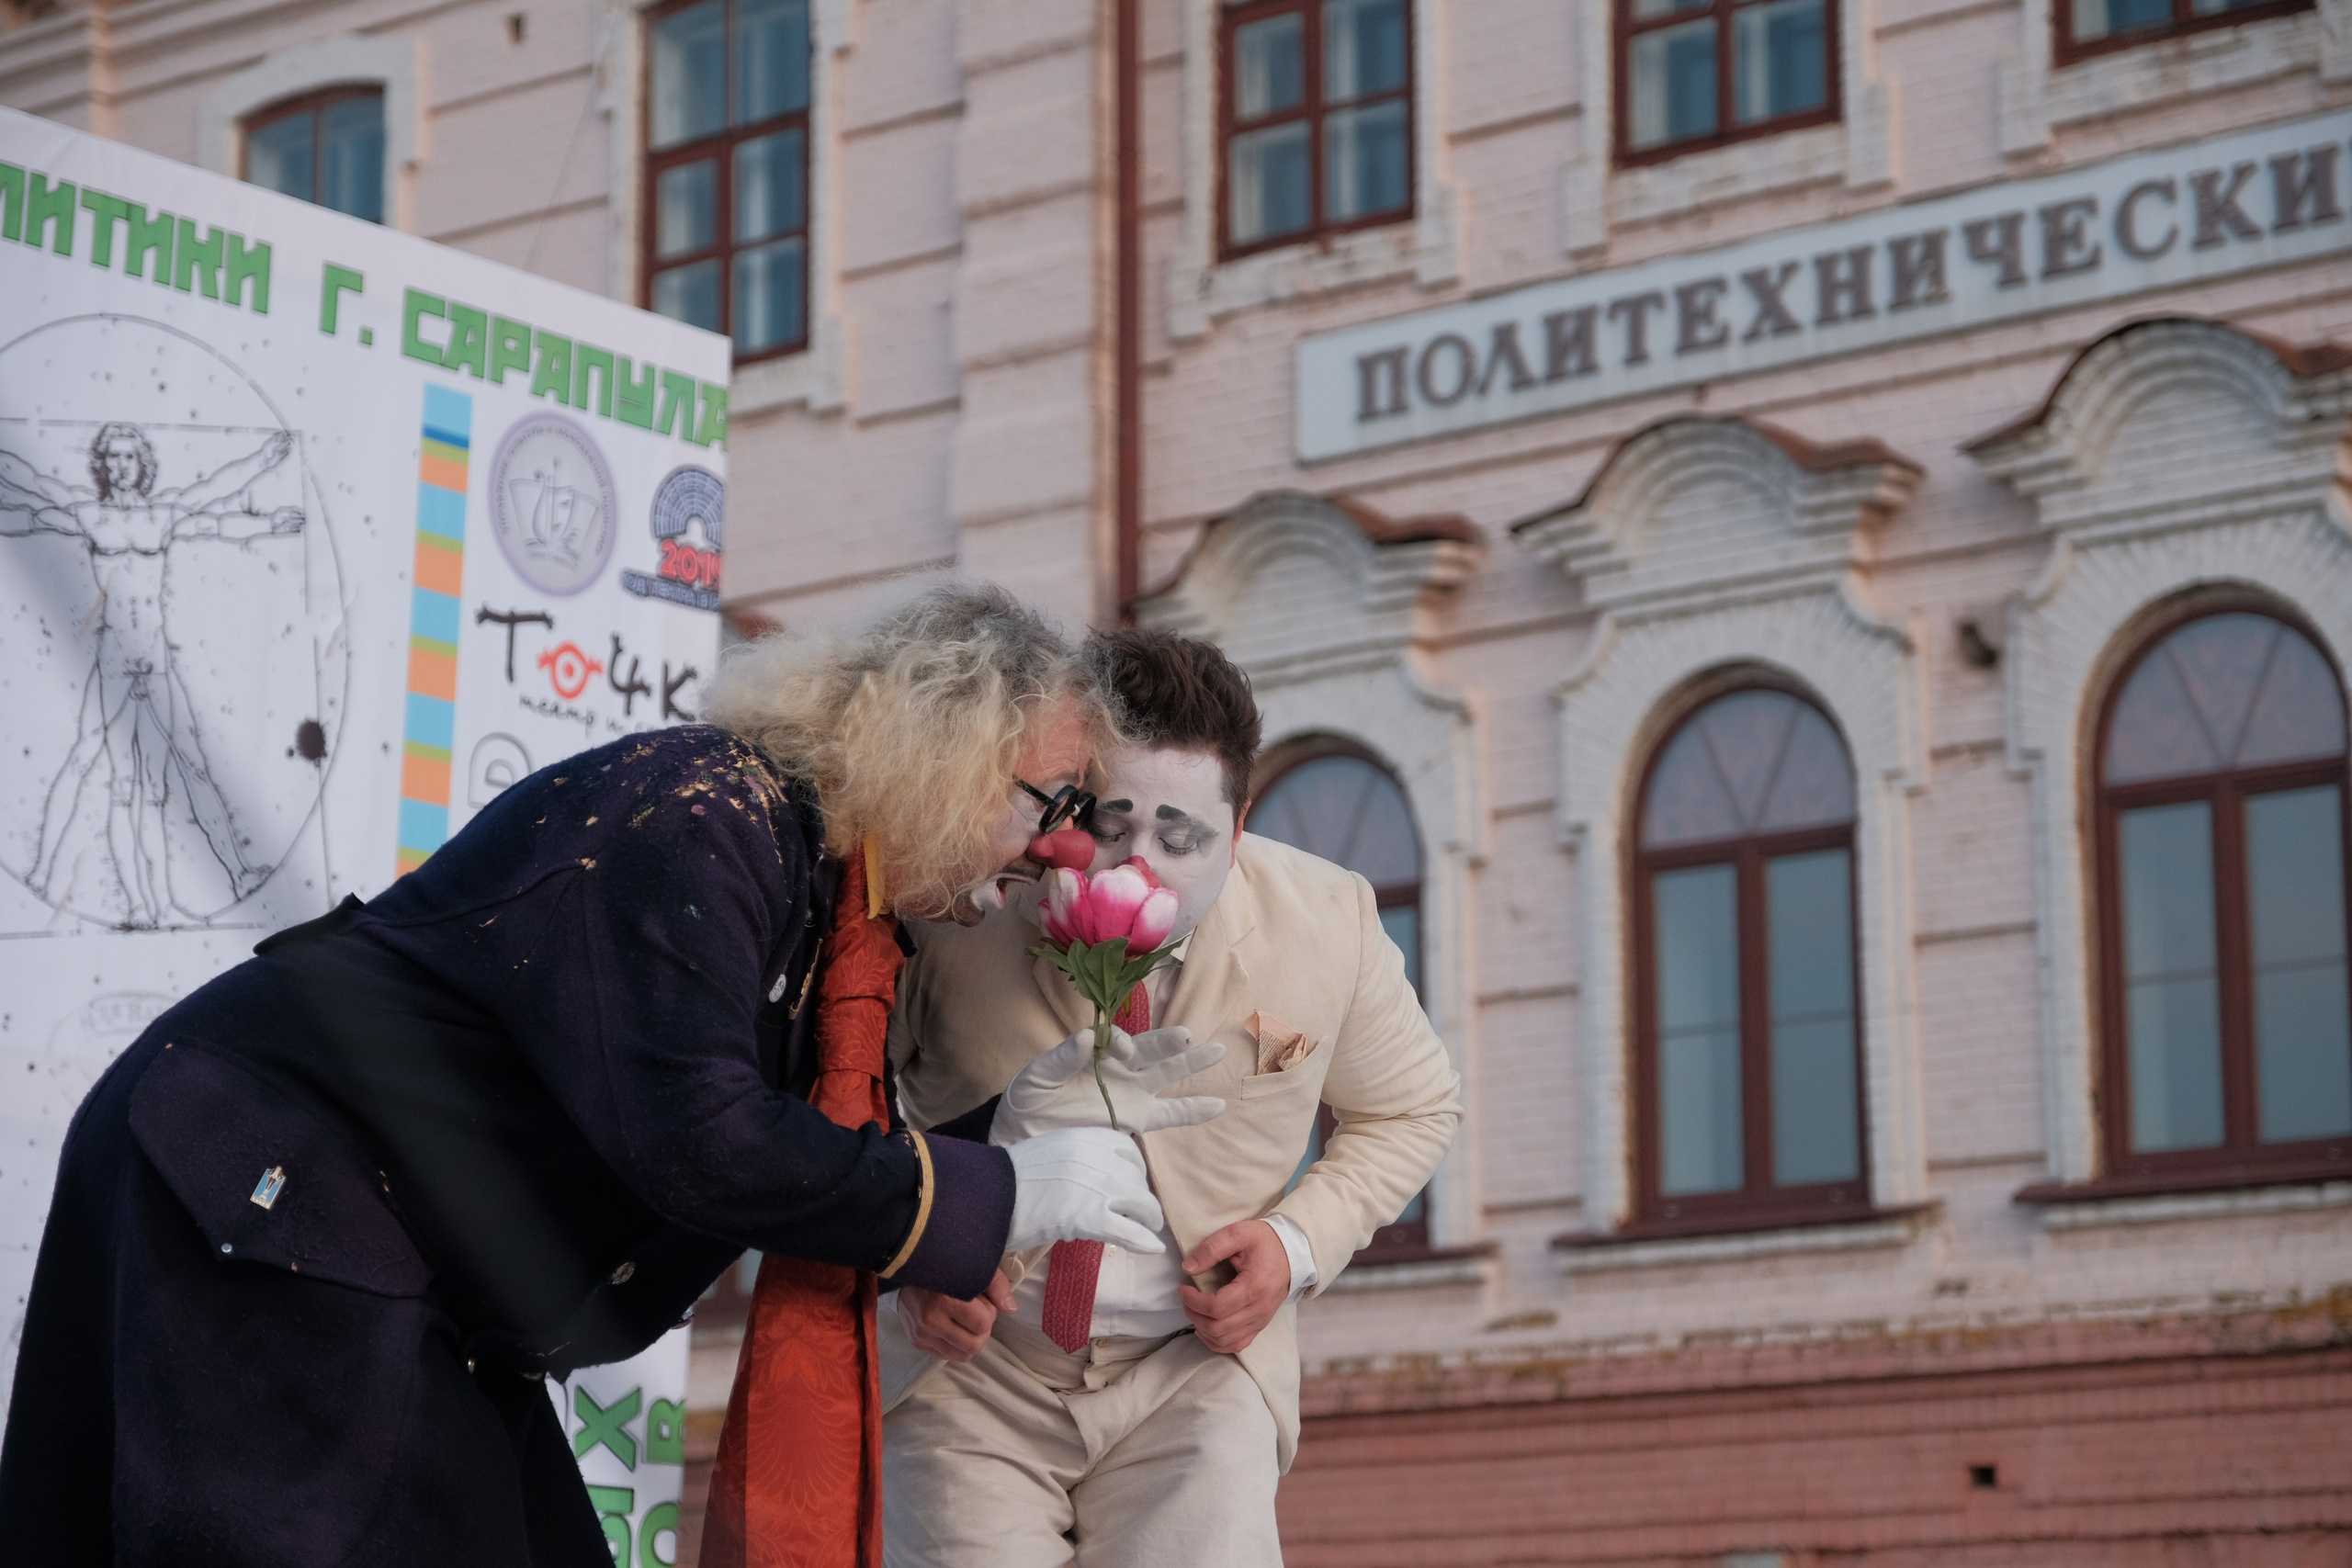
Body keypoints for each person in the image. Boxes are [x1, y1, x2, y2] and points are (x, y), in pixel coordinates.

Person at [0, 583, 1171, 1568]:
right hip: (280, 1186)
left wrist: (988, 1164)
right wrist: (998, 1198)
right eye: (1052, 801)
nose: (1056, 849)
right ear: (950, 742)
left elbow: (803, 1135)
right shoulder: (703, 814)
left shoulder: (821, 896)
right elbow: (704, 1139)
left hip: (423, 1269)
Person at [881, 626, 1464, 1566]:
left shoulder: (1329, 921)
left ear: (1238, 833)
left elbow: (1414, 1109)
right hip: (973, 1373)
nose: (1134, 866)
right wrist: (912, 1254)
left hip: (1193, 1374)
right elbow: (836, 1112)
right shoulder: (957, 903)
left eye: (1179, 835)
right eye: (1109, 825)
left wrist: (1294, 1244)